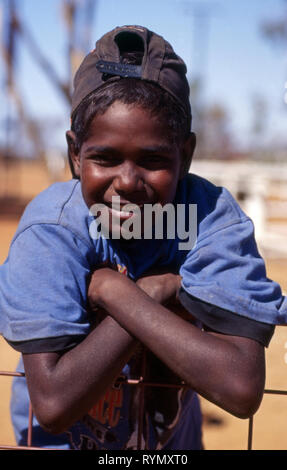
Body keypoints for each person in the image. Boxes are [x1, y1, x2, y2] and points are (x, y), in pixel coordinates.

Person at [0, 25, 285, 451]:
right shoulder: (54, 230)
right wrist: (156, 292)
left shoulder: (209, 218)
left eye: (152, 160)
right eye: (106, 158)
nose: (128, 182)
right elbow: (55, 405)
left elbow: (241, 388)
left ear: (185, 155)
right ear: (75, 154)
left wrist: (123, 293)